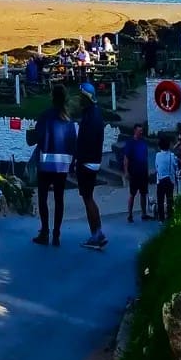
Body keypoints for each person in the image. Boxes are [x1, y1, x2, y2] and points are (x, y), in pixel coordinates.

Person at [27, 84, 77, 247]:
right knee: (59, 200)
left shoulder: (45, 116)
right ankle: (57, 233)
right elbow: (73, 143)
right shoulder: (69, 120)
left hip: (46, 163)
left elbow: (38, 137)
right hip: (62, 165)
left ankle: (45, 231)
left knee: (43, 198)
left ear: (52, 97)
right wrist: (72, 163)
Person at [76, 82, 108, 249]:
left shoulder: (90, 117)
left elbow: (84, 142)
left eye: (81, 97)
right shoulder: (95, 114)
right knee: (89, 197)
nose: (79, 100)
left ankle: (96, 234)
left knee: (87, 198)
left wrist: (78, 159)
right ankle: (98, 232)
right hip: (94, 161)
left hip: (87, 162)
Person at [123, 123, 151, 222]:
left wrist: (147, 170)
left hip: (143, 172)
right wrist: (126, 171)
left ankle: (144, 213)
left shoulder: (143, 142)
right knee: (132, 194)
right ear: (135, 131)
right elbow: (126, 158)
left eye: (142, 130)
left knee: (143, 193)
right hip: (134, 172)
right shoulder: (130, 143)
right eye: (139, 131)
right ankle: (130, 214)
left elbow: (145, 157)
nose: (141, 132)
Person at [155, 133, 179, 222]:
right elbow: (175, 166)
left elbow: (156, 167)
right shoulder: (172, 156)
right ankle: (170, 217)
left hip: (160, 180)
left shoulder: (157, 155)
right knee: (170, 199)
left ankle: (161, 218)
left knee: (160, 200)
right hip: (169, 180)